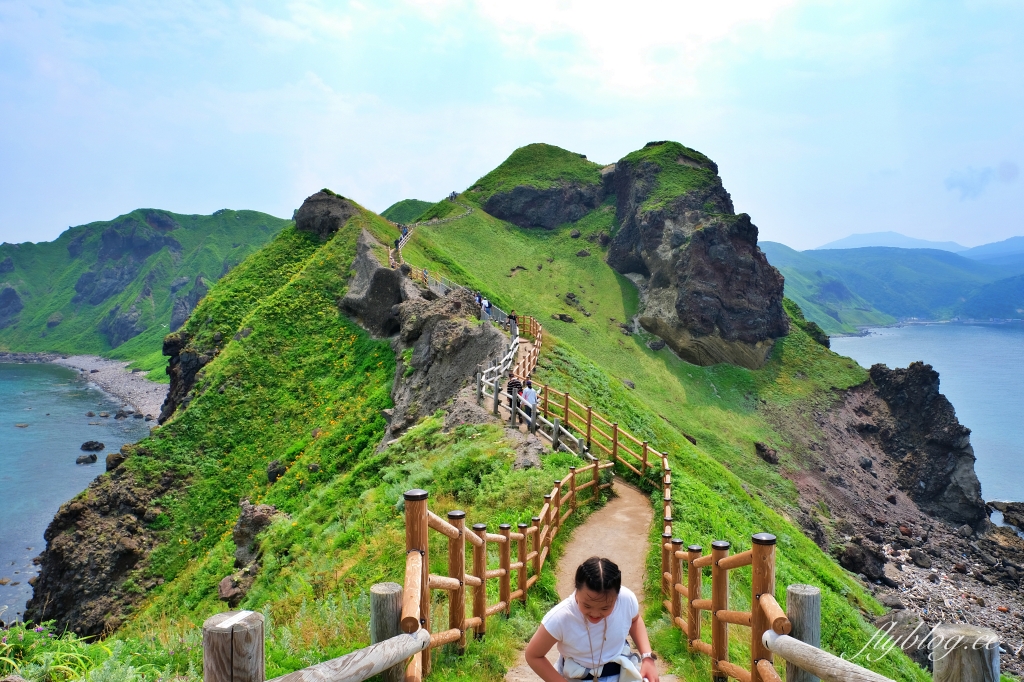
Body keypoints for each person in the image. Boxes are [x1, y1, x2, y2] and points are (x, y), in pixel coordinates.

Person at [525, 557, 659, 682]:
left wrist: (647, 658)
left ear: (617, 596)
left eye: (605, 608)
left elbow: (635, 620)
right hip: (577, 677)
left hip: (621, 675)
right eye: (587, 605)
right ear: (576, 589)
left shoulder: (626, 599)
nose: (595, 613)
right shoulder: (561, 617)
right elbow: (533, 655)